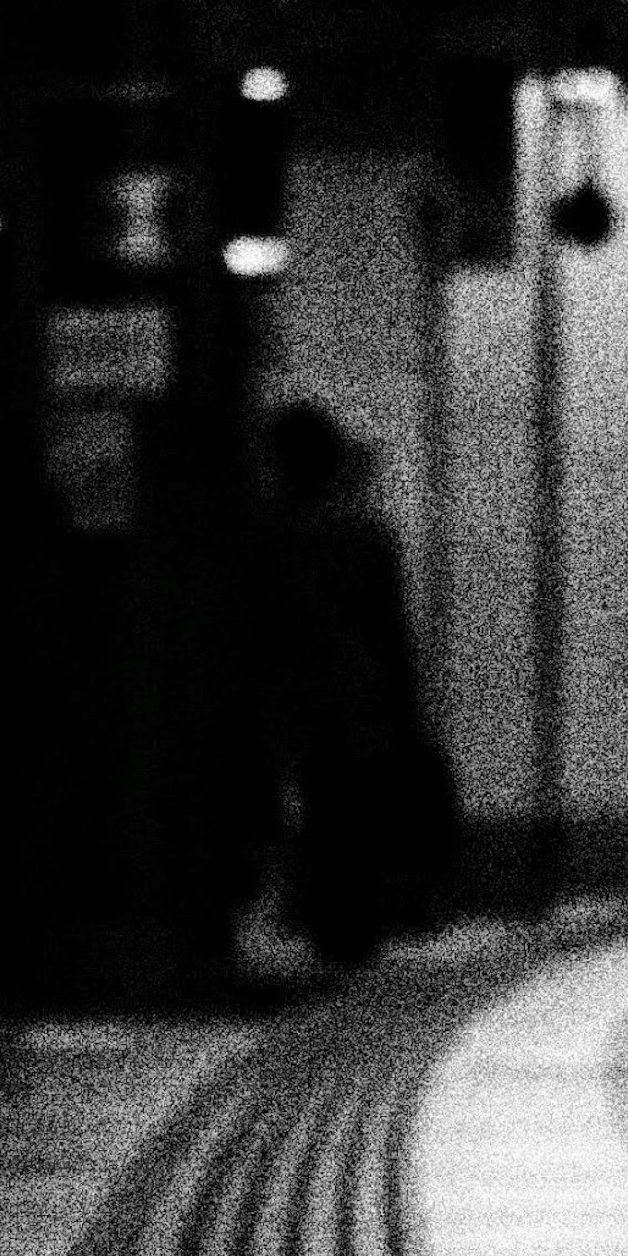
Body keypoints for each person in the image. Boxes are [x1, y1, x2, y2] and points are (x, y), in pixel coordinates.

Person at [253, 400, 446, 967]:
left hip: (290, 699)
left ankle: (321, 915)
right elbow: (390, 634)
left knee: (315, 803)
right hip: (358, 698)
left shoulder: (260, 540)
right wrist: (407, 713)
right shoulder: (367, 539)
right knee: (353, 810)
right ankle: (352, 926)